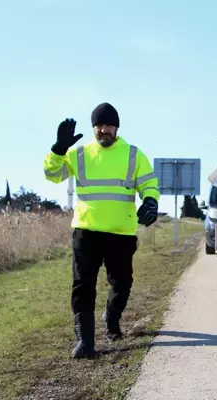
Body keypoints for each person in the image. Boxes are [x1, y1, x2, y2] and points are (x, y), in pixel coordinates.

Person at [43, 102, 160, 359]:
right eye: (99, 125)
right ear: (93, 128)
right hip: (86, 232)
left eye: (108, 125)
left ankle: (111, 316)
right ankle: (85, 342)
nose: (103, 130)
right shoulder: (80, 154)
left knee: (122, 282)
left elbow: (149, 183)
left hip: (121, 232)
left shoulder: (133, 154)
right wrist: (58, 149)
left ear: (116, 127)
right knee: (83, 285)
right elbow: (51, 175)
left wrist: (150, 200)